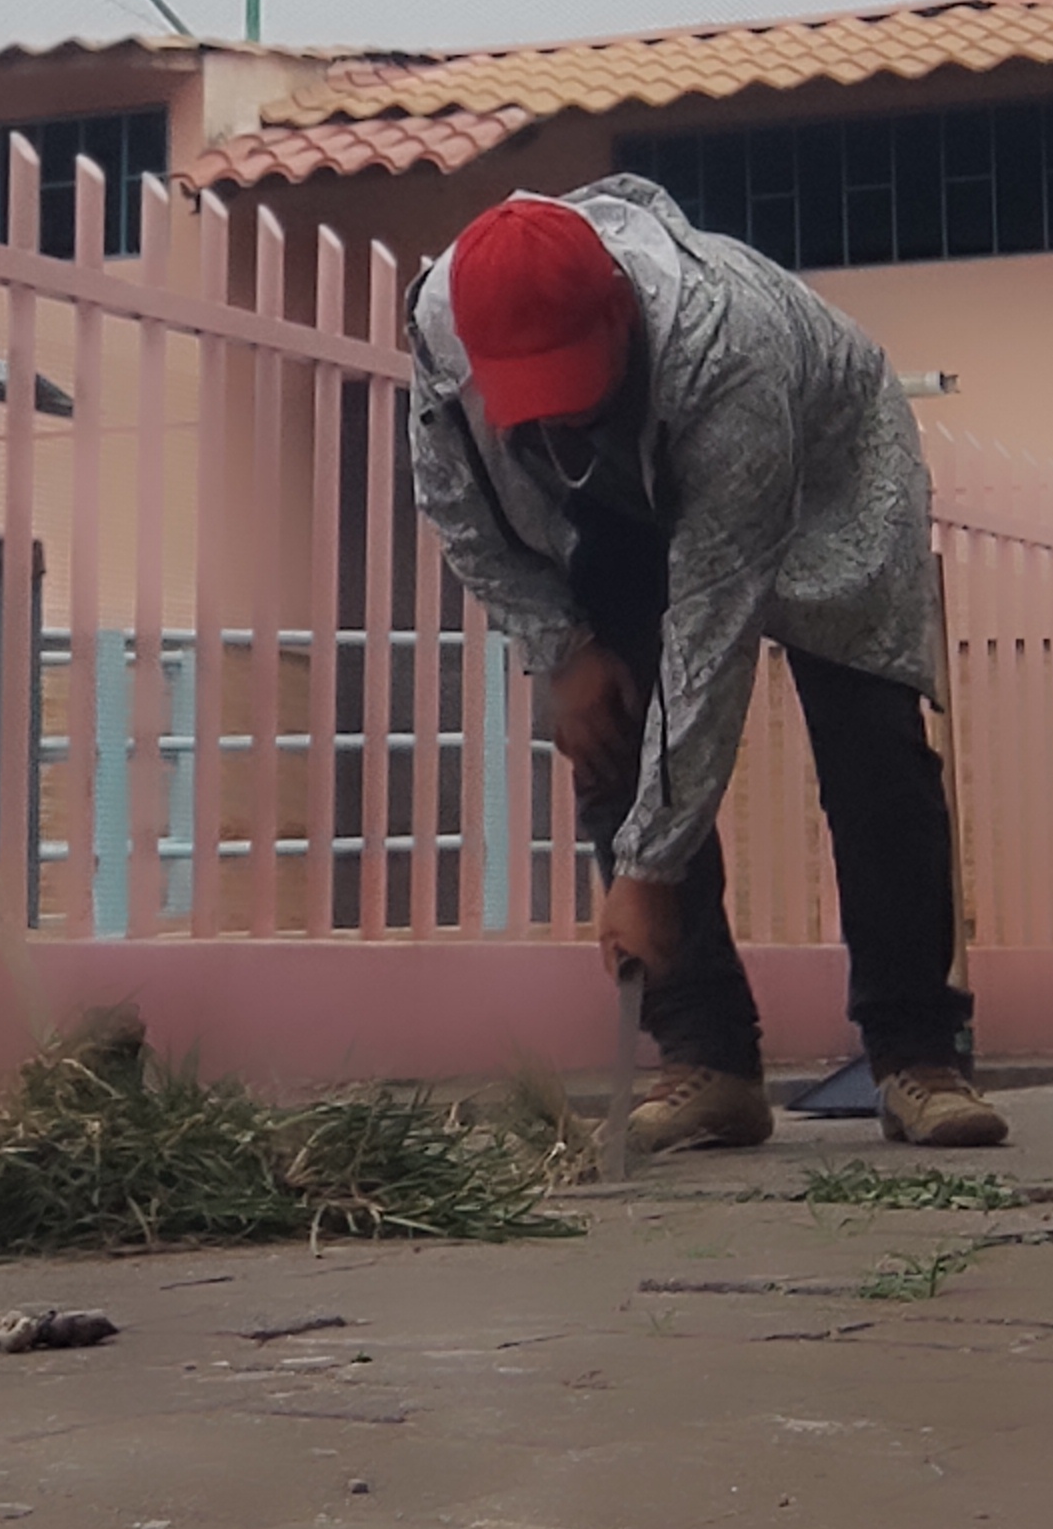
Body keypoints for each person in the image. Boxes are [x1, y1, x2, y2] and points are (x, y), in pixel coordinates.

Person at [407, 179, 1007, 1161]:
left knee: (872, 746)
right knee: (610, 728)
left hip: (829, 465)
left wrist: (648, 867)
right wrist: (561, 648)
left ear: (620, 311)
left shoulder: (726, 343)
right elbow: (459, 512)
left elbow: (711, 637)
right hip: (626, 490)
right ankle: (709, 1058)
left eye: (573, 374)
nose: (557, 409)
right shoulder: (441, 337)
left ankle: (918, 1053)